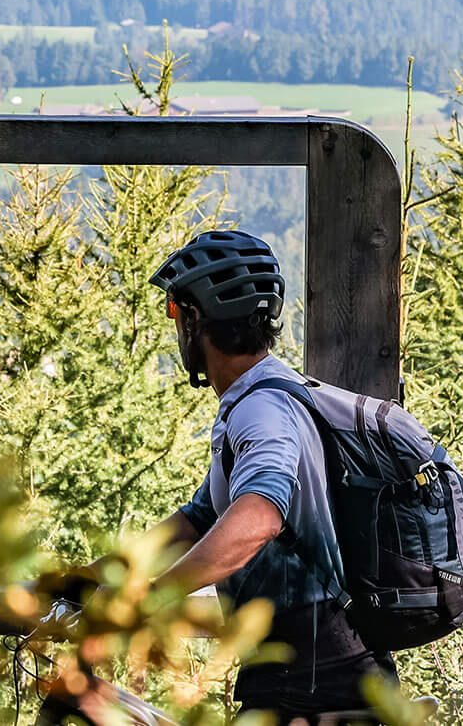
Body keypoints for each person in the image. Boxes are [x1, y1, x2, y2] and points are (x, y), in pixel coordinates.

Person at [68, 230, 395, 725]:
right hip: (305, 665)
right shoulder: (262, 396)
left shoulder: (262, 407)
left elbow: (258, 517)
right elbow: (199, 519)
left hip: (313, 674)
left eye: (175, 312)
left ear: (195, 318)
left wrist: (151, 602)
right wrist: (99, 575)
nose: (176, 326)